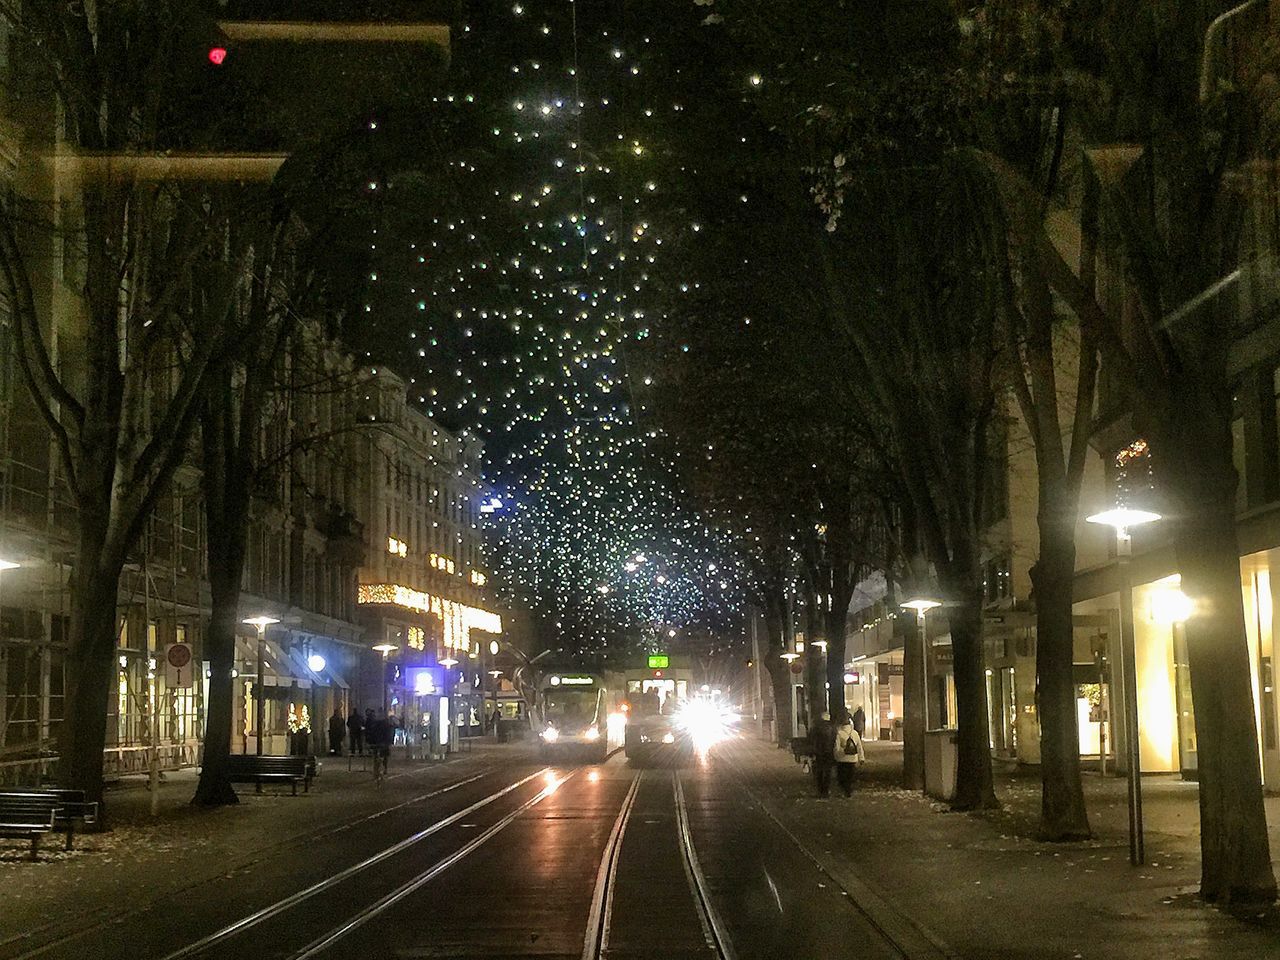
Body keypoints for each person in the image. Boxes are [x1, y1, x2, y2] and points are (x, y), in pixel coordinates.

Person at [833, 708, 866, 797]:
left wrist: (836, 756)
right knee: (850, 776)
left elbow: (837, 747)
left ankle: (844, 789)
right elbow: (859, 746)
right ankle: (849, 791)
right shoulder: (854, 733)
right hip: (853, 758)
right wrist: (861, 758)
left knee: (842, 776)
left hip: (842, 759)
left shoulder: (839, 733)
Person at [810, 711, 837, 798]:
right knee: (828, 772)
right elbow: (835, 740)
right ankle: (826, 790)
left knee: (819, 771)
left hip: (819, 752)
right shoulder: (833, 728)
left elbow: (812, 740)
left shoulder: (816, 727)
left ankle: (820, 790)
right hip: (829, 752)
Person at [367, 710, 392, 782]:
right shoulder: (386, 725)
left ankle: (376, 773)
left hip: (378, 743)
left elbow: (372, 734)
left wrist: (371, 742)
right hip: (382, 743)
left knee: (376, 759)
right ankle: (382, 770)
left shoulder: (375, 724)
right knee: (383, 757)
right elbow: (388, 734)